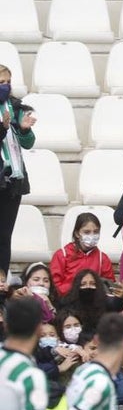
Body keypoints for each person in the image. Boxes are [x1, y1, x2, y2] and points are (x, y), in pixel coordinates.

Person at [0, 64, 36, 278]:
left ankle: (2, 281)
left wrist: (24, 129)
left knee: (4, 236)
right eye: (1, 82)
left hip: (12, 181)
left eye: (8, 82)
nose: (5, 86)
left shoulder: (16, 106)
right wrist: (3, 128)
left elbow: (28, 143)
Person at [50, 213, 117, 295]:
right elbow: (55, 285)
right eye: (87, 232)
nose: (92, 235)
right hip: (67, 303)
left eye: (96, 232)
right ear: (77, 233)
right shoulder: (61, 255)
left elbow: (109, 285)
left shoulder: (102, 258)